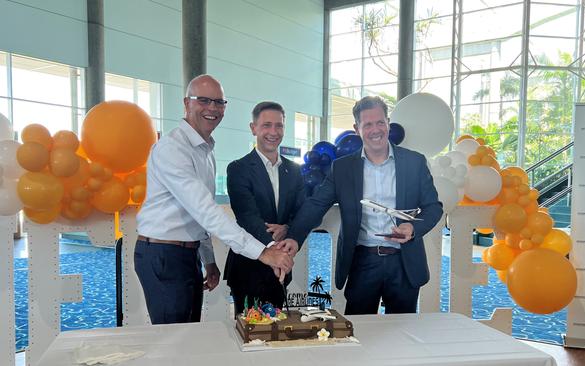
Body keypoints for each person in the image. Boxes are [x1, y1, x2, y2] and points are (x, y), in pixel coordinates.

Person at [135, 75, 293, 324]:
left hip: (187, 254)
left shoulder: (205, 149)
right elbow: (206, 210)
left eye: (219, 102)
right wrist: (263, 252)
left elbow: (198, 216)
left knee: (189, 333)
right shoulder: (172, 148)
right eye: (204, 100)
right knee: (173, 339)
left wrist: (208, 260)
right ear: (187, 103)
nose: (212, 108)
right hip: (163, 254)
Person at [281, 96, 443, 315]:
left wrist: (413, 229)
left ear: (388, 123)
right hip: (363, 261)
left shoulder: (414, 162)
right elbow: (316, 205)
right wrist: (293, 236)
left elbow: (434, 207)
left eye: (380, 122)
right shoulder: (342, 168)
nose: (375, 130)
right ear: (357, 128)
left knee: (403, 334)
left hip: (404, 263)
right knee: (359, 331)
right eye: (368, 124)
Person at [224, 101, 305, 315]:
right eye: (266, 125)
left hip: (280, 270)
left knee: (277, 333)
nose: (273, 132)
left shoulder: (294, 171)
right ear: (254, 128)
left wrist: (287, 228)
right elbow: (246, 216)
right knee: (250, 334)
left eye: (279, 126)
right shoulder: (238, 168)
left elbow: (300, 212)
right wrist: (272, 248)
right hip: (247, 267)